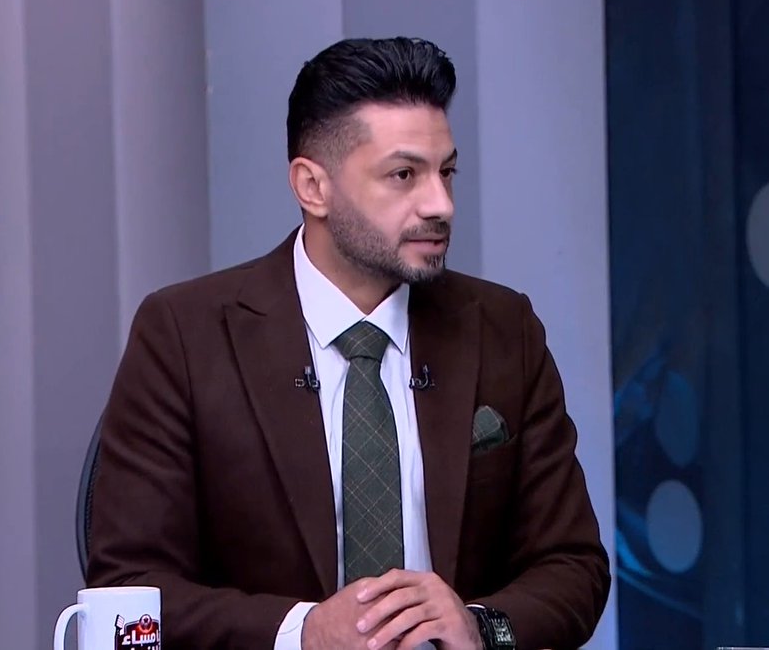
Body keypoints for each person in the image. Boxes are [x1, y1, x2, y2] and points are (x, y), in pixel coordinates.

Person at [87, 37, 608, 650]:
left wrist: (478, 626)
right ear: (313, 186)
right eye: (404, 175)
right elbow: (129, 584)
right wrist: (301, 632)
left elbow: (573, 564)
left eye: (446, 172)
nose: (440, 204)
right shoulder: (184, 333)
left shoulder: (502, 328)